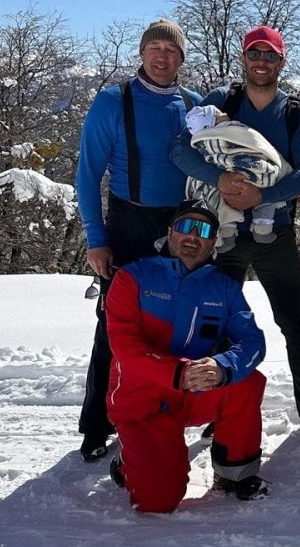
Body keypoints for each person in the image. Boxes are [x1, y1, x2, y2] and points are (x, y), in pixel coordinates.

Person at [170, 25, 300, 450]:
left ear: (281, 62)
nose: (262, 62)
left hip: (273, 232)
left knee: (294, 321)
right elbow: (181, 150)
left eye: (271, 56)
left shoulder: (296, 113)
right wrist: (220, 178)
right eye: (254, 54)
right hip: (223, 236)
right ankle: (217, 404)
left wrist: (264, 194)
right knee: (214, 323)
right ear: (244, 59)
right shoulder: (223, 101)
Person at [75, 19, 199, 462]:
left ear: (182, 58)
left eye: (172, 50)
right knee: (115, 326)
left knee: (176, 324)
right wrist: (96, 237)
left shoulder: (192, 104)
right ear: (142, 53)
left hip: (181, 227)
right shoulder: (114, 101)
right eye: (155, 48)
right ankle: (96, 425)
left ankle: (170, 411)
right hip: (129, 222)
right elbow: (87, 175)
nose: (163, 57)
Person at [106, 200, 268, 512]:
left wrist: (223, 366)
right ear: (169, 233)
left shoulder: (223, 287)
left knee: (246, 381)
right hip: (143, 401)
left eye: (203, 230)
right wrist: (177, 373)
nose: (192, 236)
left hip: (193, 390)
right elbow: (125, 347)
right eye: (184, 227)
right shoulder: (133, 277)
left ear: (213, 242)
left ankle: (234, 474)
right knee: (158, 501)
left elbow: (252, 340)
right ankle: (128, 456)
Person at [183, 103, 292, 250]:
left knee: (222, 198)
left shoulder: (201, 143)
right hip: (250, 170)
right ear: (213, 120)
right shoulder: (232, 128)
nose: (224, 113)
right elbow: (254, 141)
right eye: (218, 113)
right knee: (269, 180)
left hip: (225, 175)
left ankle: (227, 232)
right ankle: (262, 228)